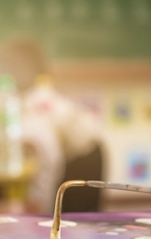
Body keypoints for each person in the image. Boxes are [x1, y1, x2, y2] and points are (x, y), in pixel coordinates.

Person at [0, 39, 104, 213]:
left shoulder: (36, 104)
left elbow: (49, 158)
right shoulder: (24, 99)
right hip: (78, 152)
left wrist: (41, 207)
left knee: (75, 218)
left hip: (84, 156)